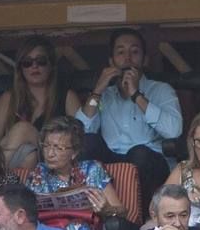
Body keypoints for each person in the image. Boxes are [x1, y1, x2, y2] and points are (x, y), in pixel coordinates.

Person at [76, 28, 182, 218]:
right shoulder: (105, 95)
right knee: (87, 141)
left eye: (134, 52)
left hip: (151, 162)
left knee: (138, 153)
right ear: (111, 61)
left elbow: (173, 130)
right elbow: (77, 133)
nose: (128, 58)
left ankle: (140, 218)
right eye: (120, 52)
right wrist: (98, 90)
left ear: (145, 59)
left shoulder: (161, 90)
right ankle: (92, 215)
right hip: (112, 161)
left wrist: (136, 95)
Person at [25, 115, 126, 230]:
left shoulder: (92, 170)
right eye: (46, 146)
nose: (50, 154)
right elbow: (24, 213)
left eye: (58, 148)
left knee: (77, 229)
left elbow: (122, 211)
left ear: (74, 152)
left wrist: (107, 209)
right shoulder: (38, 173)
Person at [0, 36, 81, 169]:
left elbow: (80, 140)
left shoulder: (67, 96)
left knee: (23, 128)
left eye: (41, 61)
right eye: (27, 62)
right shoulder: (9, 98)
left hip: (55, 159)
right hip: (21, 165)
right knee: (29, 156)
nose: (34, 66)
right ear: (20, 69)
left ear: (51, 66)